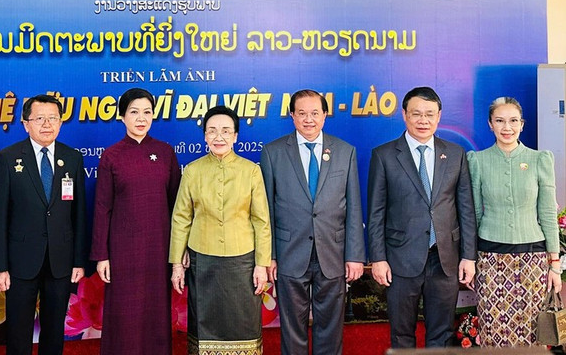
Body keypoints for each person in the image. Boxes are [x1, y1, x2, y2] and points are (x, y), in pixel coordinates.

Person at [367, 86, 477, 348]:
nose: (423, 120)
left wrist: (468, 256)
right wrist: (378, 259)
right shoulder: (383, 155)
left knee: (441, 334)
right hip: (400, 260)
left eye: (429, 114)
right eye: (416, 114)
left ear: (439, 116)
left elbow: (466, 209)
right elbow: (375, 212)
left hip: (445, 259)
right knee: (401, 334)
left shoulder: (455, 154)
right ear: (404, 114)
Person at [260, 90, 365, 355]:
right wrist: (269, 255)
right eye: (302, 113)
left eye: (315, 113)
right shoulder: (273, 153)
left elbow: (353, 206)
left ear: (325, 116)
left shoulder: (345, 151)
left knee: (330, 329)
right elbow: (265, 211)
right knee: (292, 329)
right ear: (292, 116)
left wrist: (354, 255)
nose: (309, 119)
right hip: (288, 253)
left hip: (332, 251)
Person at [0, 94, 88, 355]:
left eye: (53, 118)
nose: (47, 124)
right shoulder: (8, 159)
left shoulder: (73, 158)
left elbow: (78, 214)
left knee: (55, 330)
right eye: (40, 118)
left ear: (61, 122)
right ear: (25, 123)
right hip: (20, 262)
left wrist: (79, 261)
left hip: (61, 261)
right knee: (19, 332)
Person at [170, 105, 272, 355]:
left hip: (243, 259)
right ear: (204, 135)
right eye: (212, 131)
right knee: (204, 323)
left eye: (226, 131)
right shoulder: (193, 171)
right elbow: (181, 218)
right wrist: (176, 263)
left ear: (236, 136)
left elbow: (262, 221)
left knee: (243, 322)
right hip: (202, 259)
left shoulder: (251, 170)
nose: (219, 137)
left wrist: (262, 264)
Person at [90, 88, 181, 355]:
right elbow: (102, 207)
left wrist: (178, 252)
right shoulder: (111, 155)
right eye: (134, 112)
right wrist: (101, 256)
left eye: (147, 112)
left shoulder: (165, 152)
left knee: (156, 314)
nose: (141, 118)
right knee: (124, 315)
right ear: (122, 117)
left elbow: (178, 208)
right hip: (122, 252)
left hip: (158, 249)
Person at [467, 97, 560, 346]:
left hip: (533, 261)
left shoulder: (540, 159)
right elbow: (473, 214)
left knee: (531, 332)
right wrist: (470, 258)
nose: (507, 127)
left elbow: (548, 214)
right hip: (490, 259)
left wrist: (555, 264)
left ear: (522, 125)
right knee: (493, 329)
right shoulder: (477, 161)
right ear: (490, 124)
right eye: (500, 121)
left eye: (513, 121)